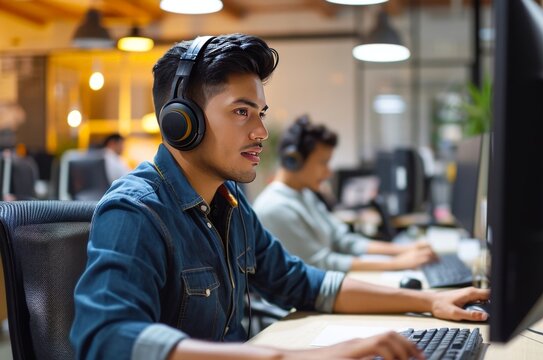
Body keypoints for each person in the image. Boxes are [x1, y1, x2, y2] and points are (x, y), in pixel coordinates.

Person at [70, 34, 488, 360]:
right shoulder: (135, 210)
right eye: (241, 112)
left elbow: (302, 282)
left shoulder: (229, 201)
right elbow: (106, 339)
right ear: (182, 122)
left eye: (261, 114)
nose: (261, 133)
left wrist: (429, 300)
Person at [254, 116, 437, 272]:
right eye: (323, 163)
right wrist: (397, 264)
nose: (329, 172)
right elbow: (318, 263)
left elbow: (342, 240)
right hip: (292, 308)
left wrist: (402, 250)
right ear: (293, 161)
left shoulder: (303, 194)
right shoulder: (275, 207)